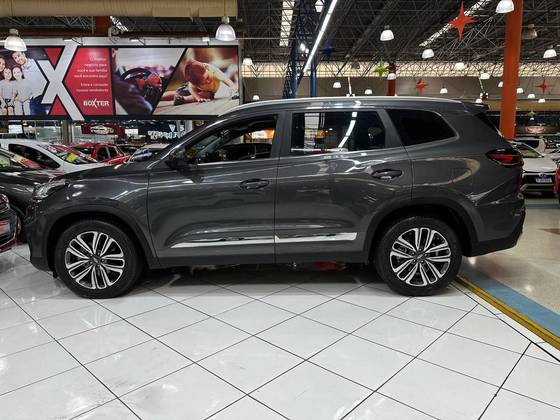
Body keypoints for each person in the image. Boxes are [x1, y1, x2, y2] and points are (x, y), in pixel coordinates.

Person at [161, 58, 238, 105]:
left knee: (208, 95)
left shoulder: (213, 71)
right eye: (204, 82)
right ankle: (160, 97)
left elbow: (226, 80)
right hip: (191, 89)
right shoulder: (195, 81)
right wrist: (198, 98)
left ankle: (182, 99)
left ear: (206, 67)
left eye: (207, 77)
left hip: (207, 91)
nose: (208, 81)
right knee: (176, 93)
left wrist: (233, 88)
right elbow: (191, 89)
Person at [12, 51, 47, 115]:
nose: (18, 59)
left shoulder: (35, 63)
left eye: (19, 55)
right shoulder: (20, 70)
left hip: (43, 95)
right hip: (32, 98)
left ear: (23, 54)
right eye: (15, 58)